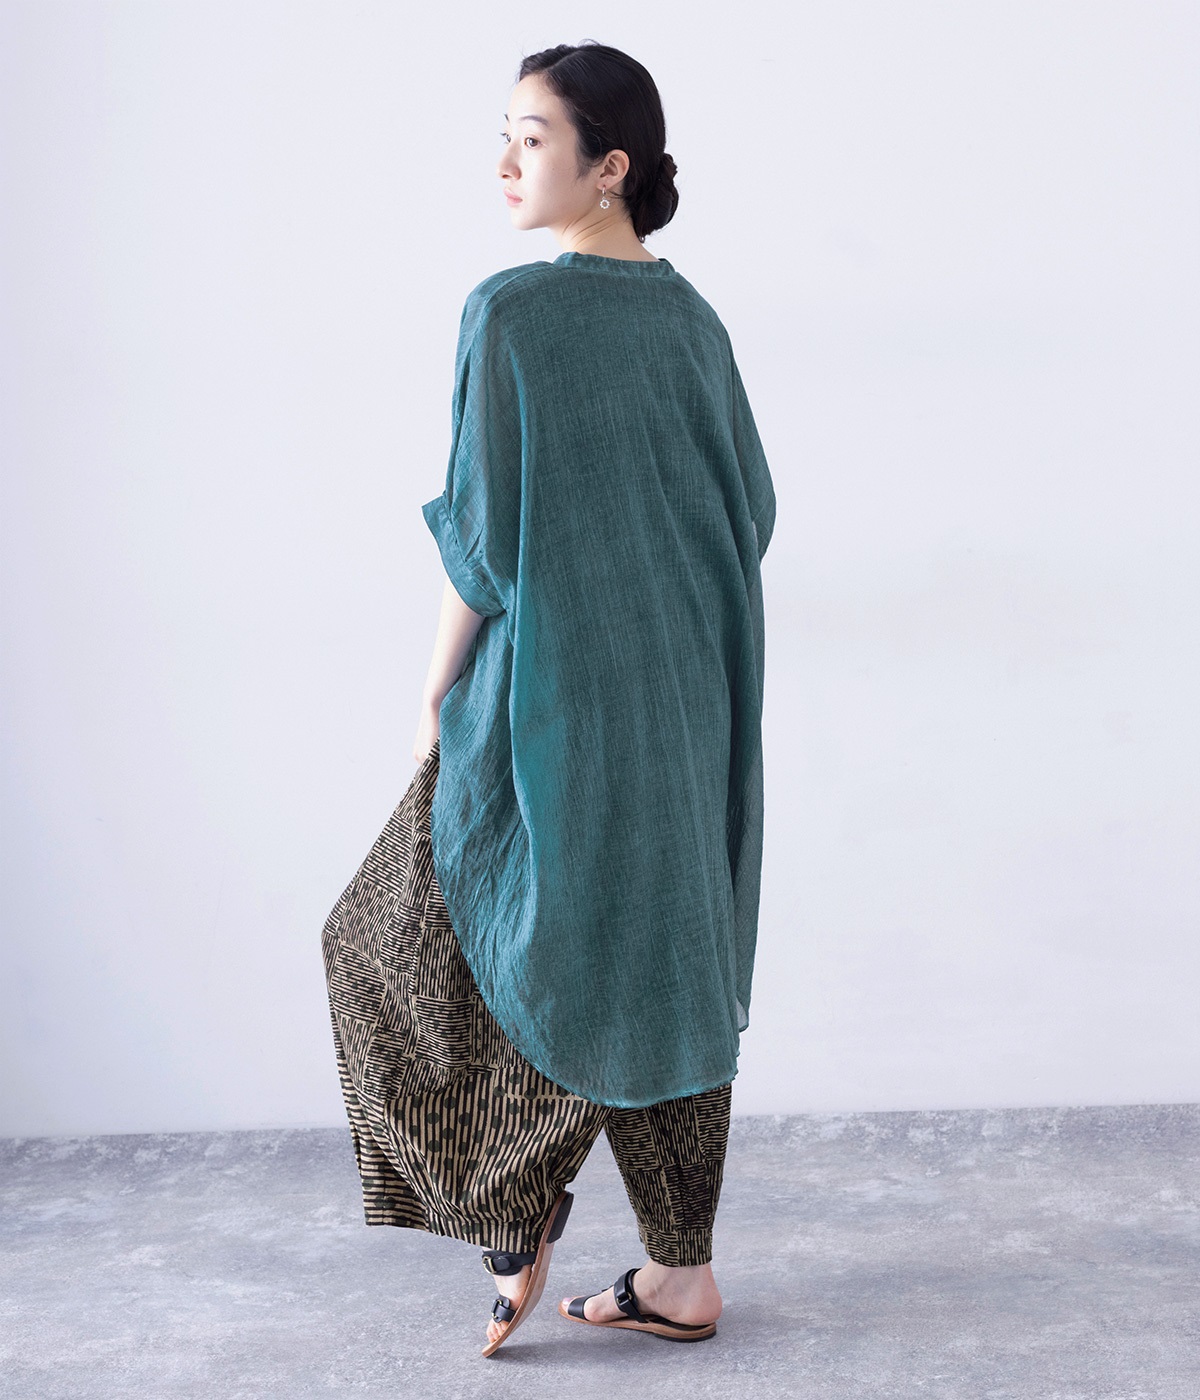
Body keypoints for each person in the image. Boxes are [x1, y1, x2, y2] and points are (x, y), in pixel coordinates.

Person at [321, 40, 776, 1357]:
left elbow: (482, 534)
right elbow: (750, 512)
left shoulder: (513, 314)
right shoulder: (695, 323)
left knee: (399, 939)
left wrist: (437, 685)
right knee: (661, 963)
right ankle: (680, 1275)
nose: (505, 162)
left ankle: (512, 1219)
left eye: (531, 137)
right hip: (689, 696)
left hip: (556, 694)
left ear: (608, 165)